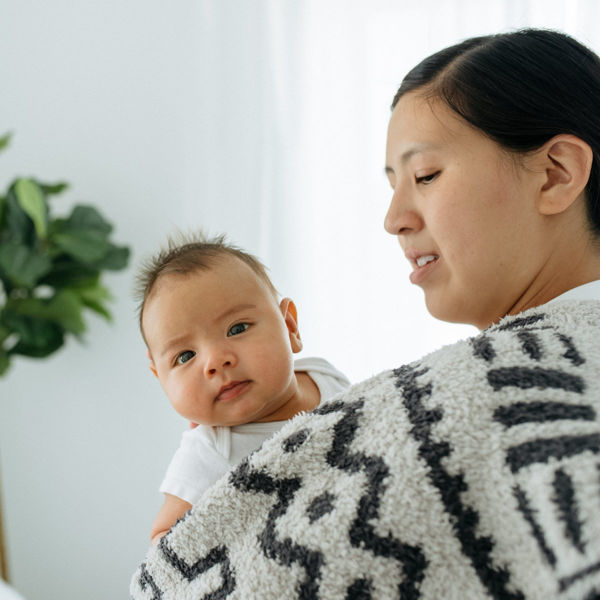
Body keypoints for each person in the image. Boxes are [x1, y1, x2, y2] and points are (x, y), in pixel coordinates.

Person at [131, 29, 600, 599]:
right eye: (392, 184)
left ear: (555, 173)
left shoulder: (497, 396)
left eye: (425, 175)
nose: (394, 217)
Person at [136, 234, 350, 545]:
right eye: (185, 356)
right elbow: (163, 540)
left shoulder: (324, 377)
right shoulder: (210, 452)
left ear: (290, 327)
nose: (215, 361)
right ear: (160, 378)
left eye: (237, 329)